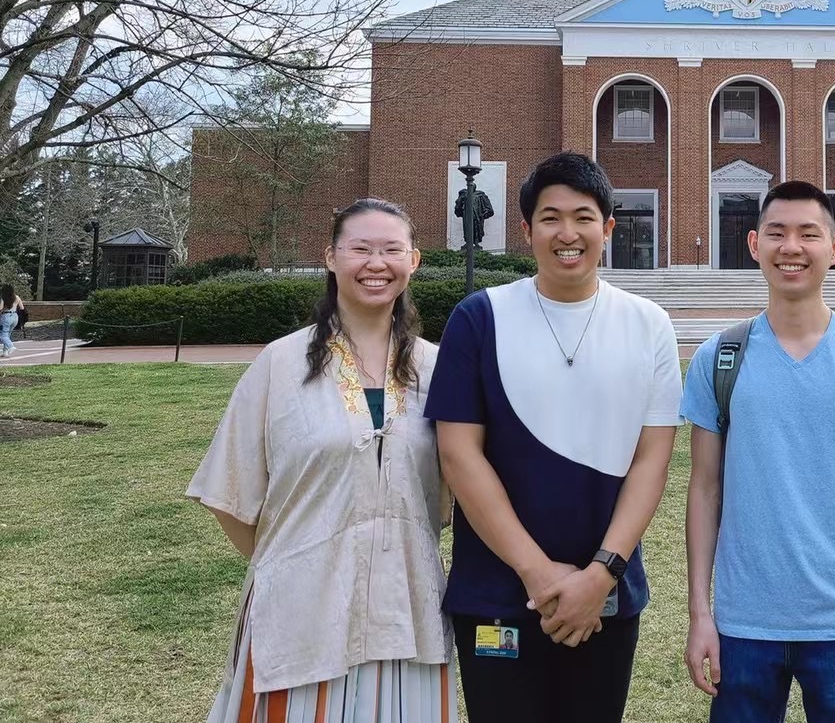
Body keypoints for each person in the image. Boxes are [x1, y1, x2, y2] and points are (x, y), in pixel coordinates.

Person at [426, 152, 681, 723]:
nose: (568, 233)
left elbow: (651, 461)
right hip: (498, 595)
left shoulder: (648, 324)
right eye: (550, 217)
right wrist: (538, 574)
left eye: (584, 217)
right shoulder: (478, 317)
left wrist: (601, 574)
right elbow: (458, 455)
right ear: (527, 230)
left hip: (605, 598)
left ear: (608, 228)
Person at [187, 197, 457, 722]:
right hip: (301, 611)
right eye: (359, 249)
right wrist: (293, 562)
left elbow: (459, 492)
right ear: (331, 258)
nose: (375, 264)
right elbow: (229, 491)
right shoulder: (281, 363)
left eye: (391, 250)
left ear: (414, 261)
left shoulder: (436, 367)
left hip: (408, 610)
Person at [682, 180, 835, 722]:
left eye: (808, 234)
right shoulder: (719, 357)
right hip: (743, 621)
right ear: (753, 244)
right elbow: (704, 489)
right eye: (777, 233)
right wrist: (701, 613)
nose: (791, 247)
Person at [0, 284, 24, 358]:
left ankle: (11, 346)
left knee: (2, 335)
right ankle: (5, 351)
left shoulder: (3, 298)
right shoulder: (17, 297)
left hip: (6, 316)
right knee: (8, 334)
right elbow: (22, 307)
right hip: (15, 317)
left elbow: (0, 308)